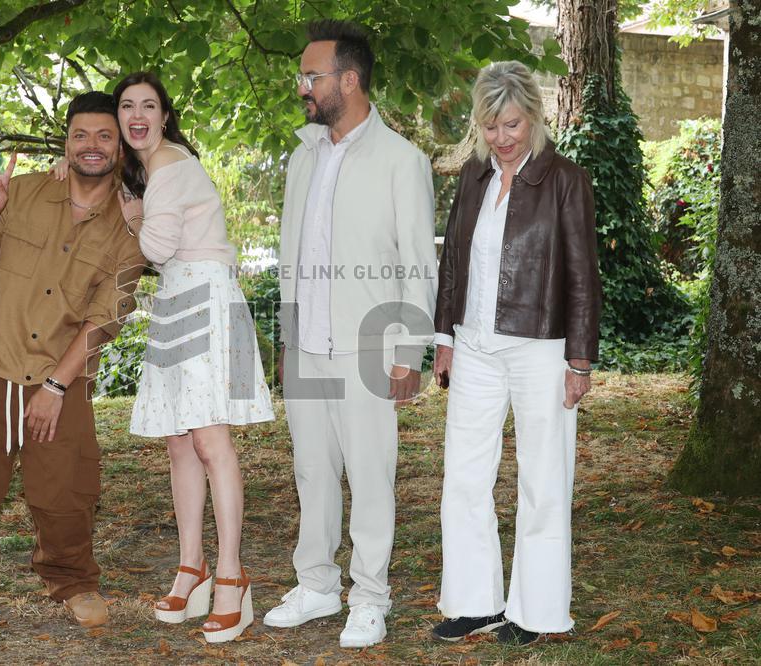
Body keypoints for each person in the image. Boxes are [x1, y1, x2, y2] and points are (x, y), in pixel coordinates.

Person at [0, 91, 145, 632]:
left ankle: (74, 581)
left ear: (120, 147)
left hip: (60, 375)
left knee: (66, 491)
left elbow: (105, 318)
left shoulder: (131, 227)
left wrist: (56, 387)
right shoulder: (19, 192)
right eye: (80, 135)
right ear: (66, 144)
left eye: (104, 136)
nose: (91, 145)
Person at [262, 20, 438, 649]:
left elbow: (418, 263)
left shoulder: (401, 160)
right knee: (311, 473)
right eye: (302, 76)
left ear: (350, 80)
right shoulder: (303, 156)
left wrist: (409, 350)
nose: (302, 87)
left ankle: (369, 597)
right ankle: (316, 585)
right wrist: (288, 339)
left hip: (369, 348)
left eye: (312, 76)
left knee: (369, 477)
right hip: (307, 346)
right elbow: (291, 254)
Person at [430, 60, 601, 646]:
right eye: (490, 126)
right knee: (464, 476)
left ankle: (538, 610)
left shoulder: (566, 180)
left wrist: (579, 360)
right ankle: (474, 603)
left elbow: (583, 275)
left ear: (534, 117)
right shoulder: (473, 175)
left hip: (541, 349)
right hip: (474, 348)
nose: (501, 138)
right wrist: (445, 337)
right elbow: (453, 261)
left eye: (512, 124)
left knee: (544, 480)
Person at [112, 71, 275, 644]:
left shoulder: (167, 164)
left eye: (148, 105)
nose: (137, 116)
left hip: (205, 297)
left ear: (164, 116)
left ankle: (232, 576)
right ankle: (192, 567)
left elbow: (155, 246)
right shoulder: (150, 168)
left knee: (210, 442)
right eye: (127, 106)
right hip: (180, 296)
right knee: (179, 441)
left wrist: (131, 214)